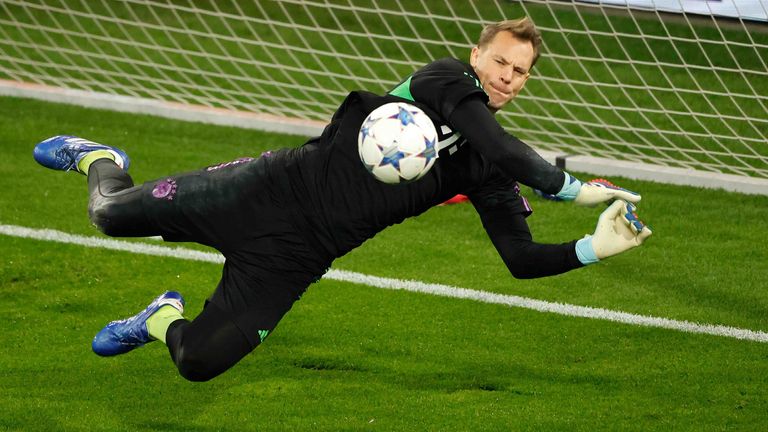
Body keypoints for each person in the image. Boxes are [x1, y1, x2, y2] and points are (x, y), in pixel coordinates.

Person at [32, 17, 651, 382]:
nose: (506, 79)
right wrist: (569, 187)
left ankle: (159, 316)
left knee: (197, 362)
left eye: (520, 74)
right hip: (262, 191)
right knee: (108, 214)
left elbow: (520, 257)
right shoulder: (442, 82)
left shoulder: (489, 168)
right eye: (500, 63)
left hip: (298, 257)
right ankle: (102, 159)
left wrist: (593, 247)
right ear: (476, 57)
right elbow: (500, 139)